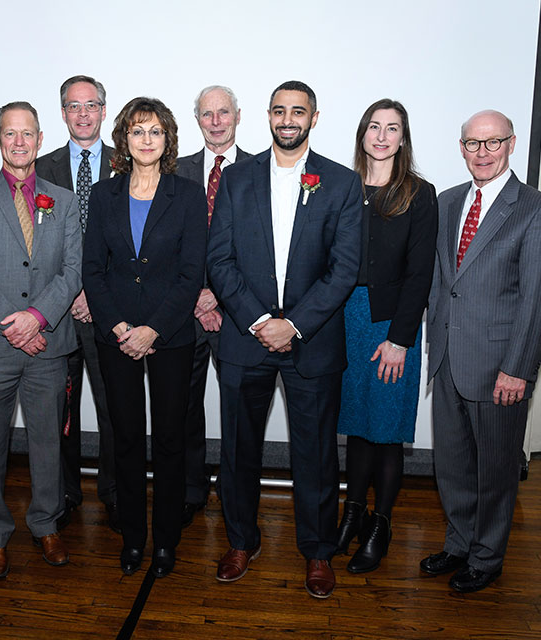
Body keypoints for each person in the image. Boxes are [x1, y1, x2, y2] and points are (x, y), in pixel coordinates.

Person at [206, 81, 362, 599]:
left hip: (311, 342)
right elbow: (220, 261)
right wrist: (257, 320)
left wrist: (292, 324)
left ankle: (318, 553)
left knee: (315, 455)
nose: (288, 119)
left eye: (298, 111)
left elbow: (344, 271)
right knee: (238, 451)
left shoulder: (340, 183)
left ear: (314, 118)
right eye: (279, 110)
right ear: (267, 117)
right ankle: (240, 542)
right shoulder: (236, 179)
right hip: (245, 339)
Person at [421, 110, 541, 593]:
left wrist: (518, 369)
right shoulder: (446, 203)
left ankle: (487, 557)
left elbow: (539, 296)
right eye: (472, 144)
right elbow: (443, 284)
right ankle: (459, 543)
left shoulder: (537, 210)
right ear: (461, 148)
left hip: (500, 368)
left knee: (496, 469)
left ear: (511, 144)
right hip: (447, 359)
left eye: (492, 143)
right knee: (454, 465)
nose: (482, 153)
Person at [0, 102, 82, 580]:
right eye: (10, 134)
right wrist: (14, 323)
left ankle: (46, 525)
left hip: (48, 342)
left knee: (48, 440)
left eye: (27, 134)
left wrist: (37, 318)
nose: (19, 142)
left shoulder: (62, 200)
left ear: (40, 138)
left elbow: (73, 271)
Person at [81, 97, 207, 578]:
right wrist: (118, 328)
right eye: (138, 131)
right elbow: (94, 271)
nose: (147, 140)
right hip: (116, 336)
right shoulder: (102, 194)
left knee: (171, 441)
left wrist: (153, 328)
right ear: (125, 141)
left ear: (167, 139)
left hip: (170, 336)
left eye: (155, 131)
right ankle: (134, 538)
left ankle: (166, 541)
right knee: (127, 440)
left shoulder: (187, 195)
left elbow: (191, 273)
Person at [335, 99, 438, 574]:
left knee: (386, 430)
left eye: (391, 128)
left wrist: (399, 339)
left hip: (391, 324)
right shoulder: (341, 187)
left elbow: (420, 274)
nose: (381, 136)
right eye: (374, 127)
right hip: (344, 319)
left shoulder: (419, 193)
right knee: (356, 424)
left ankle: (380, 524)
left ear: (403, 137)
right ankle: (351, 514)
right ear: (362, 134)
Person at [35, 75, 118, 532]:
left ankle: (113, 493)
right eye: (73, 106)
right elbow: (38, 243)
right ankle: (64, 493)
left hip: (108, 311)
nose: (83, 114)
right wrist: (71, 291)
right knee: (57, 413)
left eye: (91, 105)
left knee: (112, 409)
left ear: (104, 111)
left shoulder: (127, 163)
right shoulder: (41, 168)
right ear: (62, 112)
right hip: (59, 313)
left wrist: (95, 291)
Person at [175, 85, 252, 528]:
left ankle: (235, 488)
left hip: (237, 311)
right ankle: (190, 489)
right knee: (184, 405)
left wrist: (219, 295)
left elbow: (260, 249)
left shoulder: (260, 170)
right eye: (208, 114)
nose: (216, 121)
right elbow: (169, 243)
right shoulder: (178, 171)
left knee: (239, 407)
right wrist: (195, 297)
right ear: (198, 119)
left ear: (238, 116)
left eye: (224, 112)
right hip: (185, 311)